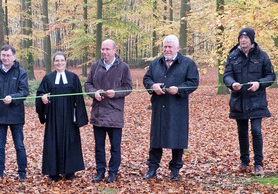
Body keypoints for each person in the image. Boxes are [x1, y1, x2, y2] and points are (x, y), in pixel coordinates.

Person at [143, 35, 199, 181]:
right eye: (165, 47)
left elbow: (193, 82)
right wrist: (152, 86)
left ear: (177, 48)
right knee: (156, 139)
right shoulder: (156, 63)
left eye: (170, 47)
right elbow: (147, 79)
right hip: (159, 107)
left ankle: (175, 170)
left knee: (177, 139)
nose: (167, 49)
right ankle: (152, 168)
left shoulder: (187, 63)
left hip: (177, 108)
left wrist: (179, 89)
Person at [223, 27, 276, 177]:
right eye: (241, 37)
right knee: (242, 132)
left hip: (257, 101)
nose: (243, 40)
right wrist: (232, 84)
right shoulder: (233, 56)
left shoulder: (262, 56)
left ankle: (258, 164)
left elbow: (271, 76)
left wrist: (259, 83)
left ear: (251, 39)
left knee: (256, 131)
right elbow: (226, 75)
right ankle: (244, 161)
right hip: (238, 101)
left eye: (246, 37)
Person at [84, 39, 132, 184]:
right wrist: (94, 93)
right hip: (98, 113)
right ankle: (100, 172)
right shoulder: (95, 66)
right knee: (99, 146)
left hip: (115, 113)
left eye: (107, 49)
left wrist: (115, 93)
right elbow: (87, 84)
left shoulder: (123, 67)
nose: (104, 52)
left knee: (115, 147)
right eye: (102, 49)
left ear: (114, 50)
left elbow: (128, 87)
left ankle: (113, 172)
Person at [36, 51, 88, 182]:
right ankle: (53, 173)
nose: (59, 63)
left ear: (66, 62)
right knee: (53, 142)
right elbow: (40, 93)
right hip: (54, 117)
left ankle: (70, 171)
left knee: (71, 141)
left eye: (62, 60)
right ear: (54, 62)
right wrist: (43, 97)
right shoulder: (48, 78)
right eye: (57, 61)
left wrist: (79, 118)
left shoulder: (73, 78)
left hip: (69, 116)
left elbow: (79, 98)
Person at [0, 45, 29, 183]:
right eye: (3, 55)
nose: (5, 58)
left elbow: (24, 92)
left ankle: (22, 172)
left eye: (8, 55)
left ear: (14, 57)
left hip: (16, 115)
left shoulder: (21, 72)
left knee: (19, 145)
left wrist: (13, 97)